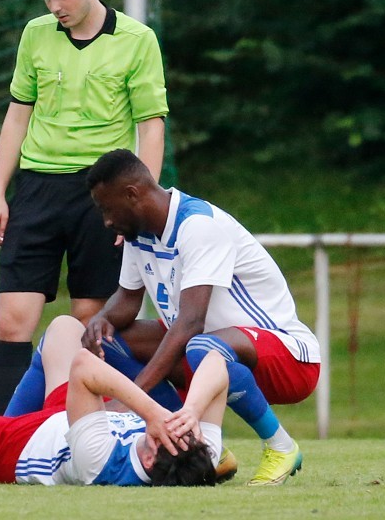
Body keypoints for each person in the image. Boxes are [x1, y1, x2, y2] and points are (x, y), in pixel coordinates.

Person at [0, 0, 169, 415]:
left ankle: (92, 436)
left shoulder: (138, 39)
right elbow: (17, 116)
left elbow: (151, 127)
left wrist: (140, 207)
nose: (54, 6)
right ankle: (3, 440)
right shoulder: (35, 34)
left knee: (92, 322)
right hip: (39, 188)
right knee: (12, 321)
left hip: (103, 195)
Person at [82, 148, 320, 486]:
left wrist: (131, 397)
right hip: (209, 354)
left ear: (132, 194)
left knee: (203, 346)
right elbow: (127, 299)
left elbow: (190, 322)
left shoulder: (199, 226)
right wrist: (102, 319)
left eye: (107, 208)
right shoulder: (138, 234)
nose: (106, 221)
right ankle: (197, 445)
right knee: (114, 342)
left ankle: (280, 445)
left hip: (288, 358)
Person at [0, 314, 219, 487]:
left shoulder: (100, 461)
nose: (172, 424)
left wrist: (153, 413)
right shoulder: (200, 454)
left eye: (166, 432)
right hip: (82, 413)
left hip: (27, 445)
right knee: (66, 327)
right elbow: (216, 362)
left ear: (149, 458)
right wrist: (191, 410)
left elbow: (83, 365)